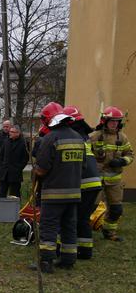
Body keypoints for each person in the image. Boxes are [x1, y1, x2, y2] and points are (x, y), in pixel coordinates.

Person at [34, 103, 84, 273]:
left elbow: (42, 168)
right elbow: (83, 166)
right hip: (74, 193)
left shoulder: (50, 138)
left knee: (49, 226)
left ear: (48, 119)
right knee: (69, 226)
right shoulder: (78, 138)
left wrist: (36, 172)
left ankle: (46, 262)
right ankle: (68, 260)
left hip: (53, 194)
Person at [89, 106, 133, 242]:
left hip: (114, 181)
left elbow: (130, 155)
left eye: (117, 121)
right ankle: (82, 231)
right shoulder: (94, 137)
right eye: (112, 121)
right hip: (95, 179)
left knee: (116, 209)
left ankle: (109, 232)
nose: (114, 124)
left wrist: (121, 161)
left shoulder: (123, 138)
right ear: (105, 121)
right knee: (90, 207)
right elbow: (86, 156)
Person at [66, 106, 102, 259]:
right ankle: (85, 250)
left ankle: (72, 250)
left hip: (84, 183)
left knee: (75, 217)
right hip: (94, 183)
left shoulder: (73, 136)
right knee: (84, 218)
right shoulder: (83, 136)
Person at [0, 125, 29, 198]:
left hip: (15, 174)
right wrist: (0, 168)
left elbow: (25, 158)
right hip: (4, 173)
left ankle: (14, 209)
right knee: (1, 194)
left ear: (18, 133)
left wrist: (19, 168)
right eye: (10, 131)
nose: (10, 133)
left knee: (14, 195)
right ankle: (2, 208)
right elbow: (0, 155)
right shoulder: (6, 141)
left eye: (12, 132)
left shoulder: (24, 143)